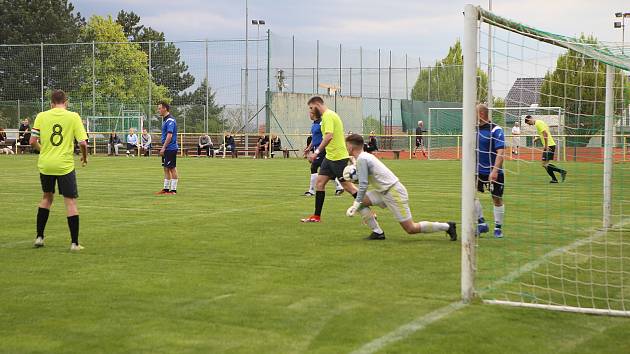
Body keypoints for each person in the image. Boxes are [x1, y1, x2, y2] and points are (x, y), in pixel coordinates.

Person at [345, 134, 457, 240]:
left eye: (347, 145)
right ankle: (377, 232)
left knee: (411, 228)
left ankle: (447, 226)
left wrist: (356, 202)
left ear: (350, 146)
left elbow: (364, 184)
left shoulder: (363, 159)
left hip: (393, 192)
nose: (346, 147)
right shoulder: (364, 157)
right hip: (384, 191)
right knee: (361, 204)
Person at [29, 90, 88, 251]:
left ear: (51, 103)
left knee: (47, 197)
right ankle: (74, 243)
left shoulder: (42, 116)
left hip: (46, 164)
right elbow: (83, 143)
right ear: (66, 102)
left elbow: (32, 140)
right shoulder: (73, 116)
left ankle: (39, 237)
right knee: (70, 201)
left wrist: (43, 151)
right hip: (65, 165)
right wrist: (84, 157)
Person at [301, 96, 357, 222]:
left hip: (338, 157)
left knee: (349, 187)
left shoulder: (328, 116)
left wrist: (316, 152)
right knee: (320, 183)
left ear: (316, 105)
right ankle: (316, 217)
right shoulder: (326, 116)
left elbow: (328, 137)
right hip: (330, 157)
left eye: (311, 107)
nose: (310, 110)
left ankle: (370, 211)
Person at [475, 103, 505, 238]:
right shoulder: (473, 130)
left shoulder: (496, 130)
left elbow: (501, 152)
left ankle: (498, 228)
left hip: (494, 172)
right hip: (477, 172)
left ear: (481, 114)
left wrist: (495, 171)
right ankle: (481, 223)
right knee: (469, 195)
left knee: (497, 199)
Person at [302, 110, 344, 197]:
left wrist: (320, 150)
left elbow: (326, 137)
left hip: (322, 150)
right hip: (316, 149)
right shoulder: (314, 124)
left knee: (314, 167)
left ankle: (311, 190)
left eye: (310, 113)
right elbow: (314, 138)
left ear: (314, 114)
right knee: (327, 171)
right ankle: (339, 187)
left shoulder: (322, 123)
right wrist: (309, 148)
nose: (309, 115)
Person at [524, 115, 567, 184]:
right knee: (545, 164)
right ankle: (554, 179)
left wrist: (546, 146)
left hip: (549, 146)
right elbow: (544, 132)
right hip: (550, 145)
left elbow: (545, 134)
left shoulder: (538, 124)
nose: (530, 125)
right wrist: (537, 138)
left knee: (544, 164)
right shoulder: (540, 122)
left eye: (529, 123)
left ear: (530, 119)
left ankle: (561, 172)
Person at [156, 101, 179, 195]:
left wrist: (163, 148)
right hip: (167, 148)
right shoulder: (165, 120)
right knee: (166, 168)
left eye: (159, 108)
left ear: (165, 108)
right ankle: (166, 189)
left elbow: (169, 135)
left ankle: (173, 190)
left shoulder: (170, 120)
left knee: (172, 168)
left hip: (170, 148)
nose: (158, 110)